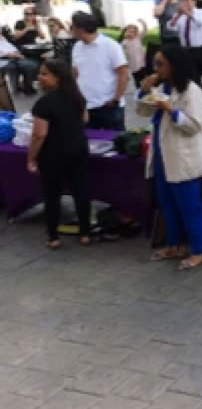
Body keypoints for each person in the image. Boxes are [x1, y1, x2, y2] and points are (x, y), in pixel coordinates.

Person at [138, 46, 202, 271]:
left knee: (189, 206)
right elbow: (143, 112)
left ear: (174, 65)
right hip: (162, 154)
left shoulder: (192, 91)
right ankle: (174, 244)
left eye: (160, 64)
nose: (156, 68)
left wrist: (171, 110)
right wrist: (144, 91)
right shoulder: (162, 87)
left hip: (182, 156)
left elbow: (195, 126)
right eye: (155, 64)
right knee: (167, 204)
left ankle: (200, 250)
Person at [26, 59, 91, 250]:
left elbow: (39, 134)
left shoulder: (45, 103)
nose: (40, 77)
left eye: (44, 74)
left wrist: (31, 158)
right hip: (78, 149)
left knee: (52, 195)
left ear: (58, 78)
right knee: (81, 192)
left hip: (54, 154)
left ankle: (53, 237)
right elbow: (85, 119)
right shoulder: (77, 97)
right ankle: (85, 233)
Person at [70, 13, 128, 131]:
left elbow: (123, 73)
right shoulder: (77, 47)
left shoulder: (111, 46)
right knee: (87, 139)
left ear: (81, 29)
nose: (71, 30)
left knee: (114, 139)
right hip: (85, 106)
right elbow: (75, 72)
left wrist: (116, 99)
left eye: (73, 27)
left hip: (108, 106)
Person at [166, 0, 202, 111]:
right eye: (183, 0)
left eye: (187, 0)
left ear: (194, 2)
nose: (185, 2)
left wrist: (187, 13)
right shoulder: (180, 15)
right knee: (193, 78)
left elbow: (200, 22)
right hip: (187, 50)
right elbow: (170, 27)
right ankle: (199, 101)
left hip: (201, 50)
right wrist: (178, 16)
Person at [121, 21, 148, 89]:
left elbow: (145, 31)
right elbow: (120, 50)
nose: (130, 33)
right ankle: (138, 90)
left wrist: (143, 23)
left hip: (141, 64)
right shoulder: (125, 42)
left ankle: (146, 89)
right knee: (137, 81)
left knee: (144, 79)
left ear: (136, 33)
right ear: (126, 32)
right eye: (129, 31)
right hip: (133, 65)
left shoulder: (138, 38)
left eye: (132, 32)